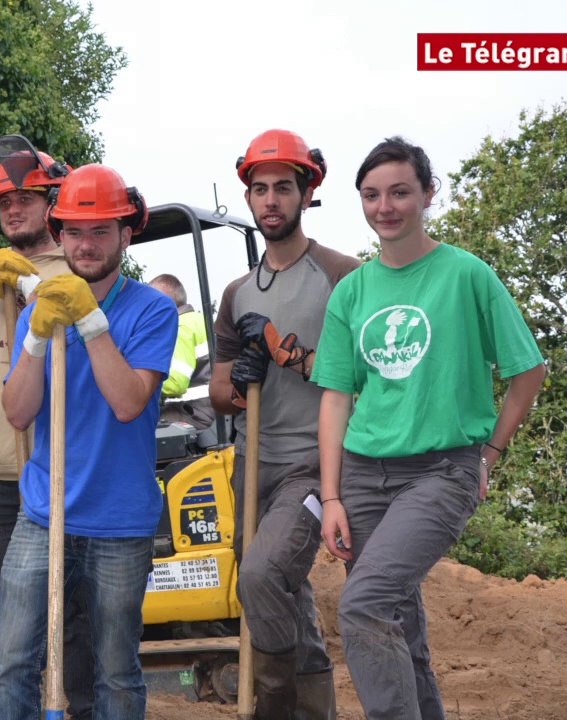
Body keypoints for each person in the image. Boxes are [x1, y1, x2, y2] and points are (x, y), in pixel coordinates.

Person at [313, 137, 546, 720]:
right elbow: (336, 399)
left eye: (399, 192)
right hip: (364, 476)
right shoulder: (353, 290)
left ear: (427, 195)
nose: (384, 206)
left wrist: (488, 456)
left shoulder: (466, 275)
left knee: (365, 606)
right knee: (399, 627)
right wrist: (334, 495)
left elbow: (528, 372)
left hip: (442, 470)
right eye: (371, 195)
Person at [0, 164, 178, 719]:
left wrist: (91, 322)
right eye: (74, 230)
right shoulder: (37, 312)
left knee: (116, 673)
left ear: (127, 234)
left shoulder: (151, 309)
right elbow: (18, 413)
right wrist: (37, 335)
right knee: (12, 663)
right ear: (59, 232)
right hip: (44, 511)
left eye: (101, 231)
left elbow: (126, 402)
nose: (86, 243)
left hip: (120, 522)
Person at [0, 146, 97, 718]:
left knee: (76, 623)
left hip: (69, 472)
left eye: (25, 198)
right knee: (13, 627)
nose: (13, 210)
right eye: (4, 201)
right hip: (3, 477)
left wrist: (40, 298)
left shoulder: (83, 269)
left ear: (53, 202)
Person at [207, 129, 357, 719]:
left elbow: (367, 379)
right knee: (280, 595)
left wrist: (288, 355)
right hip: (252, 467)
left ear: (307, 193)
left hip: (312, 466)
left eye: (284, 189)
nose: (271, 200)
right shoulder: (236, 293)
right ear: (248, 198)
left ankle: (271, 709)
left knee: (265, 577)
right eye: (260, 189)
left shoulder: (343, 276)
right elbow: (220, 393)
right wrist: (243, 382)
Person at [149, 273, 214, 430]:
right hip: (214, 411)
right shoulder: (200, 320)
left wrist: (139, 381)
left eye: (150, 303)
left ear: (163, 303)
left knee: (139, 430)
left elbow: (175, 384)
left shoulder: (179, 328)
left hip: (196, 414)